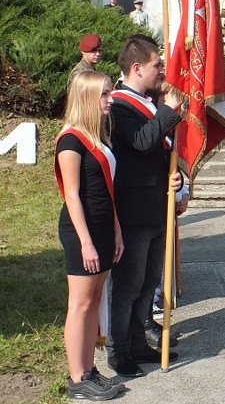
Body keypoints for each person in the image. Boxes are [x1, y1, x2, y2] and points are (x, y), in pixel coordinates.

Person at [107, 36, 183, 377]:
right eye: (157, 65)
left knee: (149, 281)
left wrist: (177, 176)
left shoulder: (150, 102)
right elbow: (141, 142)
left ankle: (139, 342)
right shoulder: (119, 105)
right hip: (133, 210)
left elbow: (161, 150)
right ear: (137, 68)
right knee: (128, 285)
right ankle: (118, 350)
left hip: (157, 206)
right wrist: (168, 110)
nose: (162, 71)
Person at [56, 71, 125, 400]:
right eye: (105, 94)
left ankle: (88, 368)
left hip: (101, 226)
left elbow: (107, 191)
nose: (110, 99)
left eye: (110, 92)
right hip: (80, 230)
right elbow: (72, 195)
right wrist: (85, 241)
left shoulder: (96, 137)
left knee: (94, 302)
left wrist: (116, 229)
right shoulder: (70, 140)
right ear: (86, 97)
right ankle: (77, 376)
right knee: (81, 304)